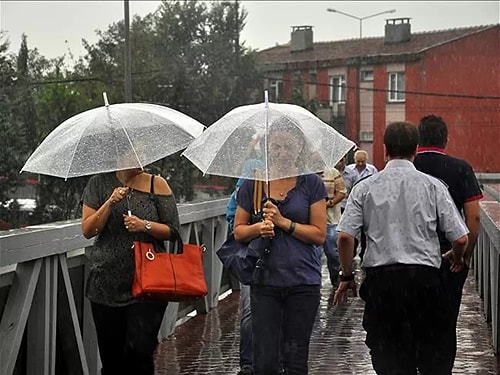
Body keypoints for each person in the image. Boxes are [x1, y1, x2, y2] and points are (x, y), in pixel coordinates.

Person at [334, 121, 469, 374]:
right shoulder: (433, 186)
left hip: (382, 285)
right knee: (428, 354)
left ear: (385, 150)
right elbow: (461, 238)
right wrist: (456, 256)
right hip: (425, 282)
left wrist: (347, 275)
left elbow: (344, 237)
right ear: (415, 150)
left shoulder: (365, 188)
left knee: (389, 359)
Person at [233, 123, 327, 375]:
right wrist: (259, 229)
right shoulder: (253, 185)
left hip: (302, 280)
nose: (281, 152)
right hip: (265, 281)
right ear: (267, 148)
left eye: (288, 146)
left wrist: (284, 223)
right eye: (275, 146)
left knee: (296, 360)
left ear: (299, 149)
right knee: (265, 361)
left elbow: (319, 234)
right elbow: (239, 230)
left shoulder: (312, 183)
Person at [81, 167, 180, 375]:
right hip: (106, 285)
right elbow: (88, 230)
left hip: (148, 285)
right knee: (112, 360)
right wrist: (109, 203)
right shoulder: (98, 184)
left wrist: (145, 225)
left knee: (140, 354)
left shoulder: (157, 184)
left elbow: (173, 231)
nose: (139, 160)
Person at [414, 114, 483, 372]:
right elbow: (473, 217)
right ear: (446, 139)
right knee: (444, 324)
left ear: (418, 139)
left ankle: (416, 363)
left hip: (413, 258)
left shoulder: (408, 166)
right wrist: (464, 256)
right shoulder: (460, 168)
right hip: (448, 258)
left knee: (414, 319)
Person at [343, 149, 378, 260]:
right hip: (351, 203)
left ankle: (364, 252)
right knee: (351, 230)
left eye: (363, 161)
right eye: (358, 161)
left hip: (367, 204)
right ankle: (351, 252)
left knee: (365, 230)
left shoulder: (372, 170)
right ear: (355, 160)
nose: (360, 164)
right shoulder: (348, 170)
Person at [320, 167, 346, 289]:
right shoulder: (305, 172)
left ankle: (335, 277)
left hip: (331, 219)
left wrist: (329, 203)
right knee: (314, 254)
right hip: (311, 221)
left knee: (332, 253)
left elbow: (342, 191)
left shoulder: (332, 172)